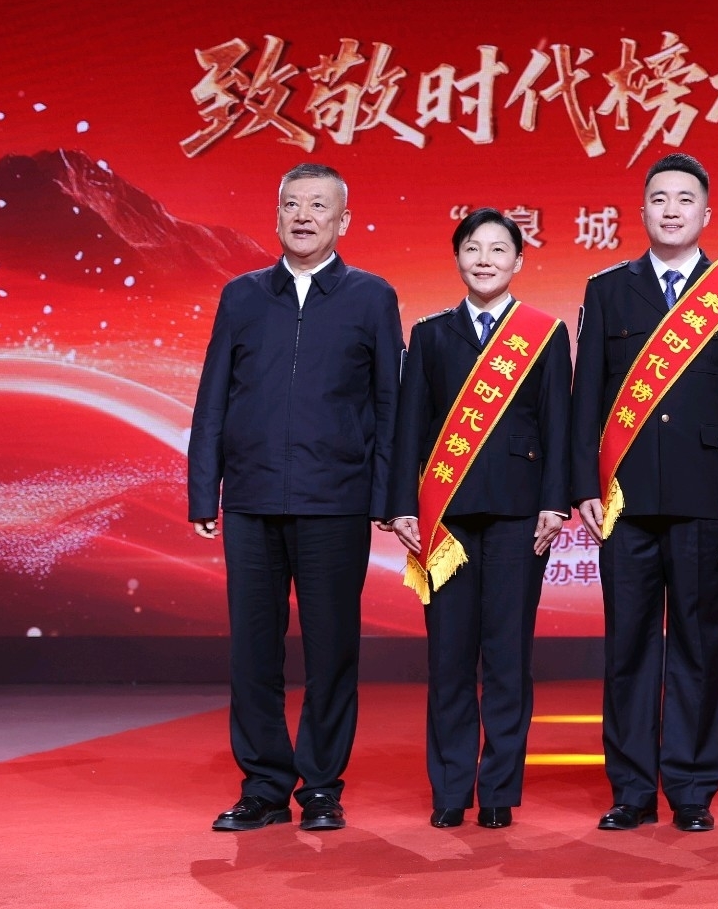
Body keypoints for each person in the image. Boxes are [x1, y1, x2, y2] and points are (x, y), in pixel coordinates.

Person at [188, 163, 403, 833]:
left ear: (343, 220)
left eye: (318, 205)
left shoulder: (372, 296)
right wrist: (204, 489)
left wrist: (386, 496)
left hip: (335, 500)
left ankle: (321, 787)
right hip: (252, 498)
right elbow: (213, 395)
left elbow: (390, 404)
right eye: (291, 204)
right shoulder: (242, 295)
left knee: (331, 650)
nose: (303, 215)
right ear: (277, 215)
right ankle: (262, 786)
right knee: (252, 651)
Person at [569, 154, 718, 834]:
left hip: (708, 494)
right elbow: (586, 397)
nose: (672, 209)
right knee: (627, 645)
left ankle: (691, 787)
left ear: (708, 213)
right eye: (659, 198)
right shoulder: (608, 290)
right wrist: (583, 483)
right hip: (624, 499)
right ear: (642, 210)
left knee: (699, 645)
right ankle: (630, 788)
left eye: (685, 199)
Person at [386, 208, 571, 829]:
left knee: (508, 657)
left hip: (521, 513)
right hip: (447, 517)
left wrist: (554, 502)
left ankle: (497, 791)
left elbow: (558, 424)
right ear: (458, 258)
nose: (485, 259)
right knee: (449, 657)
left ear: (519, 260)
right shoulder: (431, 334)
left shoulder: (544, 334)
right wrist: (402, 504)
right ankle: (449, 789)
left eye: (498, 249)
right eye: (473, 248)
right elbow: (410, 425)